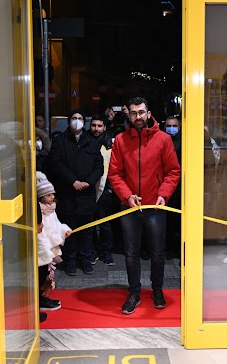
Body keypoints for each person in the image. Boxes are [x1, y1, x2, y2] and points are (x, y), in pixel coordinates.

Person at [108, 96, 180, 315]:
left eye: (141, 112)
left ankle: (157, 290)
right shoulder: (120, 140)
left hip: (155, 206)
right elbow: (114, 173)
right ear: (128, 115)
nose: (137, 116)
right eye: (133, 113)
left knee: (158, 252)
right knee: (131, 253)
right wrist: (127, 196)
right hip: (129, 206)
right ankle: (134, 293)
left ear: (148, 114)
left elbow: (173, 171)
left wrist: (163, 194)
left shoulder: (163, 140)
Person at [48, 109, 103, 276]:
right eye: (74, 118)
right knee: (68, 231)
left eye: (80, 118)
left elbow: (98, 166)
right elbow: (56, 164)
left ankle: (86, 260)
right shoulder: (59, 141)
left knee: (86, 231)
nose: (77, 121)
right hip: (68, 194)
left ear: (84, 122)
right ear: (69, 121)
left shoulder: (92, 143)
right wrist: (73, 181)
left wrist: (89, 182)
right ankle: (70, 261)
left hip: (86, 195)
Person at [88, 114, 115, 265]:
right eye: (94, 125)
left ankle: (107, 253)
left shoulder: (111, 144)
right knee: (90, 223)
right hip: (89, 190)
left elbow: (115, 168)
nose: (96, 129)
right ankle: (93, 252)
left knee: (105, 224)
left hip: (105, 190)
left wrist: (110, 189)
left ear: (104, 127)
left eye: (99, 126)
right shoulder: (85, 142)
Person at [36, 171, 72, 265]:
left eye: (53, 194)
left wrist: (64, 231)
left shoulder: (51, 209)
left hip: (52, 247)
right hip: (45, 248)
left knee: (51, 269)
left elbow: (57, 224)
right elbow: (41, 234)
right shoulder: (40, 212)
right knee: (45, 269)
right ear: (41, 197)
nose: (52, 197)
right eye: (48, 195)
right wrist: (47, 250)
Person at [164, 115, 181, 260]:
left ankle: (178, 249)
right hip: (165, 186)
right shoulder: (162, 141)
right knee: (167, 220)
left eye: (174, 126)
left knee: (180, 220)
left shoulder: (185, 141)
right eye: (169, 125)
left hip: (181, 186)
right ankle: (168, 249)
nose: (171, 128)